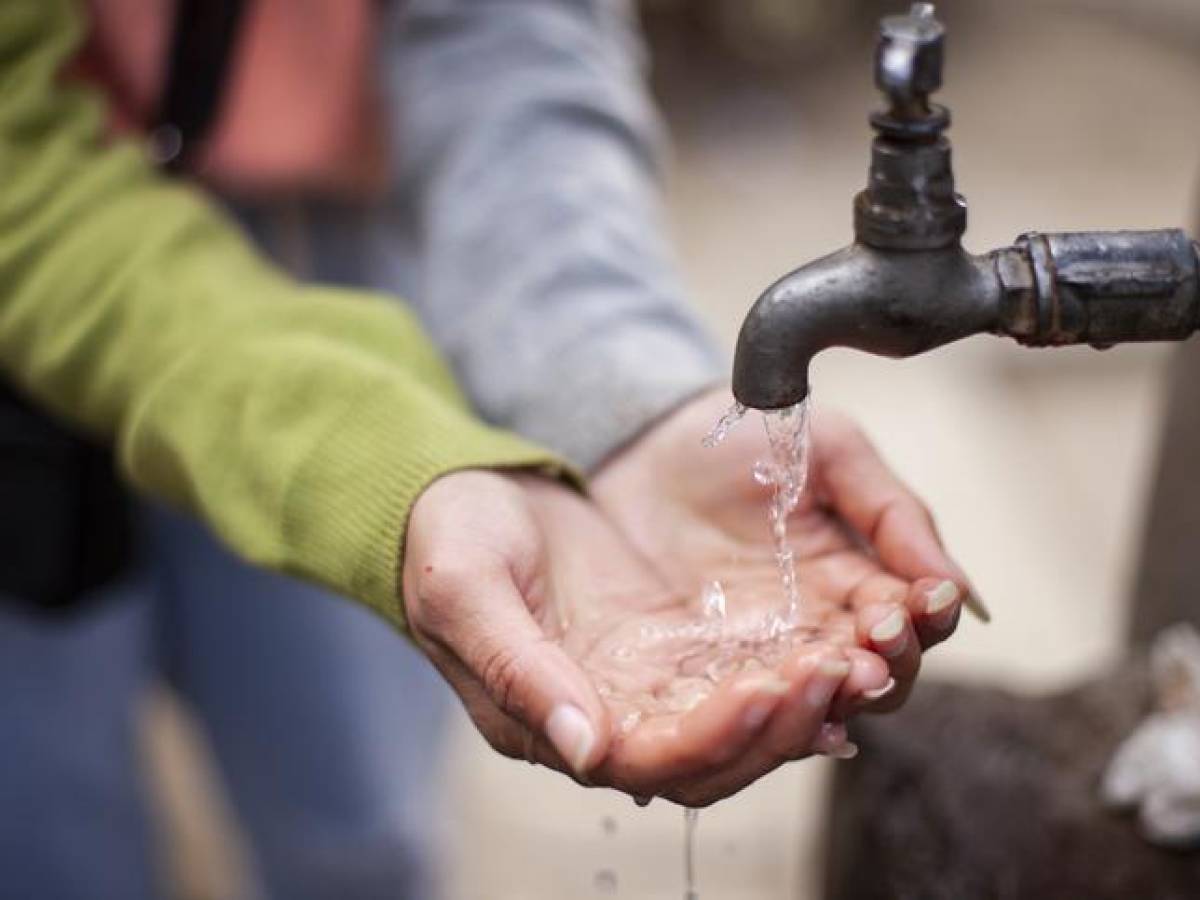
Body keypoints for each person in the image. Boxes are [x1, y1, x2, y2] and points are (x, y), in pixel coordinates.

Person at [0, 1, 976, 898]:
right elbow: (23, 172)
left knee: (356, 832)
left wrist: (620, 396)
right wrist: (391, 459)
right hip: (41, 251)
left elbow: (508, 33)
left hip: (321, 222)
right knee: (47, 839)